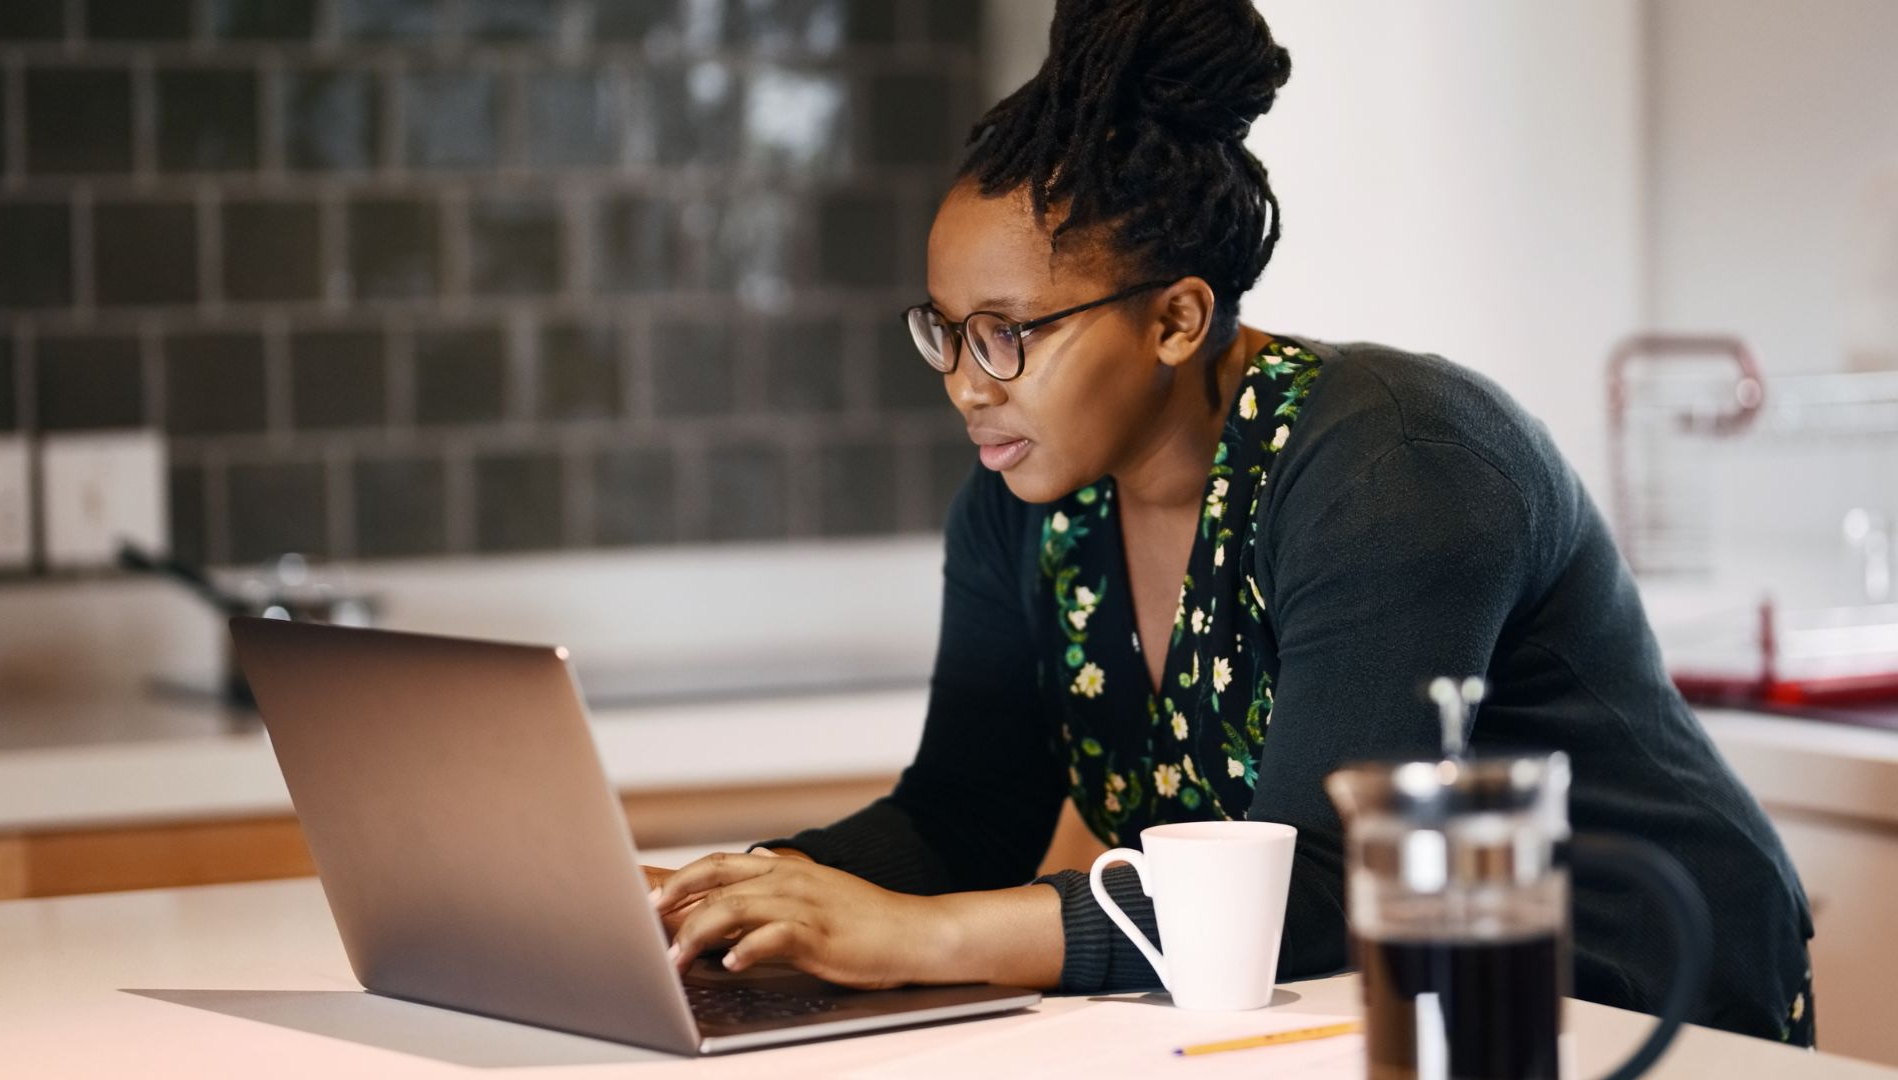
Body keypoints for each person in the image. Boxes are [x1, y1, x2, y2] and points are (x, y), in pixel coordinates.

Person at [647, 0, 1816, 1046]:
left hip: (1624, 996)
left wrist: (919, 939)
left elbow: (1318, 886)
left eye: (1009, 332)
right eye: (944, 330)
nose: (965, 380)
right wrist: (723, 898)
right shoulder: (1024, 510)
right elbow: (968, 815)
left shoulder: (1393, 465)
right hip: (1362, 1005)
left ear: (1175, 319)